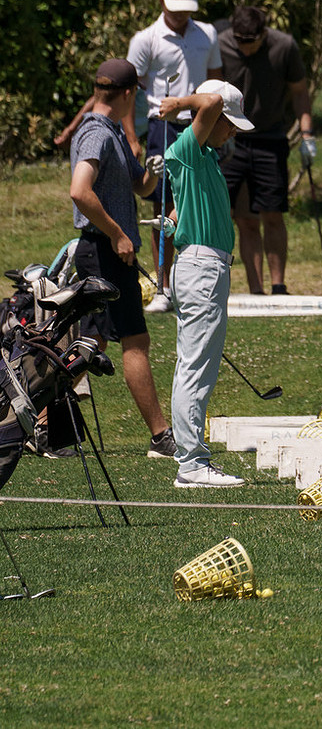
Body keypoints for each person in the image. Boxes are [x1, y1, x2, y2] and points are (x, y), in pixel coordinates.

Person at [68, 58, 175, 459]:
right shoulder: (96, 133)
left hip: (105, 251)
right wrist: (117, 234)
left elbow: (140, 186)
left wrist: (154, 170)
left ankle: (39, 422)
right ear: (129, 94)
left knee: (90, 343)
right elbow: (80, 191)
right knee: (135, 341)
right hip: (104, 251)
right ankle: (161, 436)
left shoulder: (111, 131)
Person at [159, 79, 254, 488]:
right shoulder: (188, 147)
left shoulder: (204, 156)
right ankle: (192, 463)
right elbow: (212, 101)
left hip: (204, 268)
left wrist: (175, 217)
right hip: (202, 270)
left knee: (195, 366)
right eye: (228, 123)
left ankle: (192, 459)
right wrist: (181, 102)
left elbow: (189, 201)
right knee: (195, 369)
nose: (231, 131)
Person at [127, 0, 222, 311]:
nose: (181, 15)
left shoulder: (208, 34)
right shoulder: (146, 39)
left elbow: (216, 83)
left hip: (200, 125)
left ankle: (198, 282)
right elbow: (129, 90)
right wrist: (131, 137)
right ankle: (163, 287)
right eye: (175, 8)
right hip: (162, 128)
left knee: (201, 203)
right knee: (162, 207)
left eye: (186, 9)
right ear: (161, 1)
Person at [216, 5, 315, 296]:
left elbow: (299, 91)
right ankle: (256, 290)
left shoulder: (284, 46)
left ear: (264, 33)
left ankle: (278, 286)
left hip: (270, 139)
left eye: (251, 42)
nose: (245, 48)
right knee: (244, 218)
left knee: (272, 213)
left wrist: (307, 134)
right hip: (231, 139)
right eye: (240, 41)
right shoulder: (220, 44)